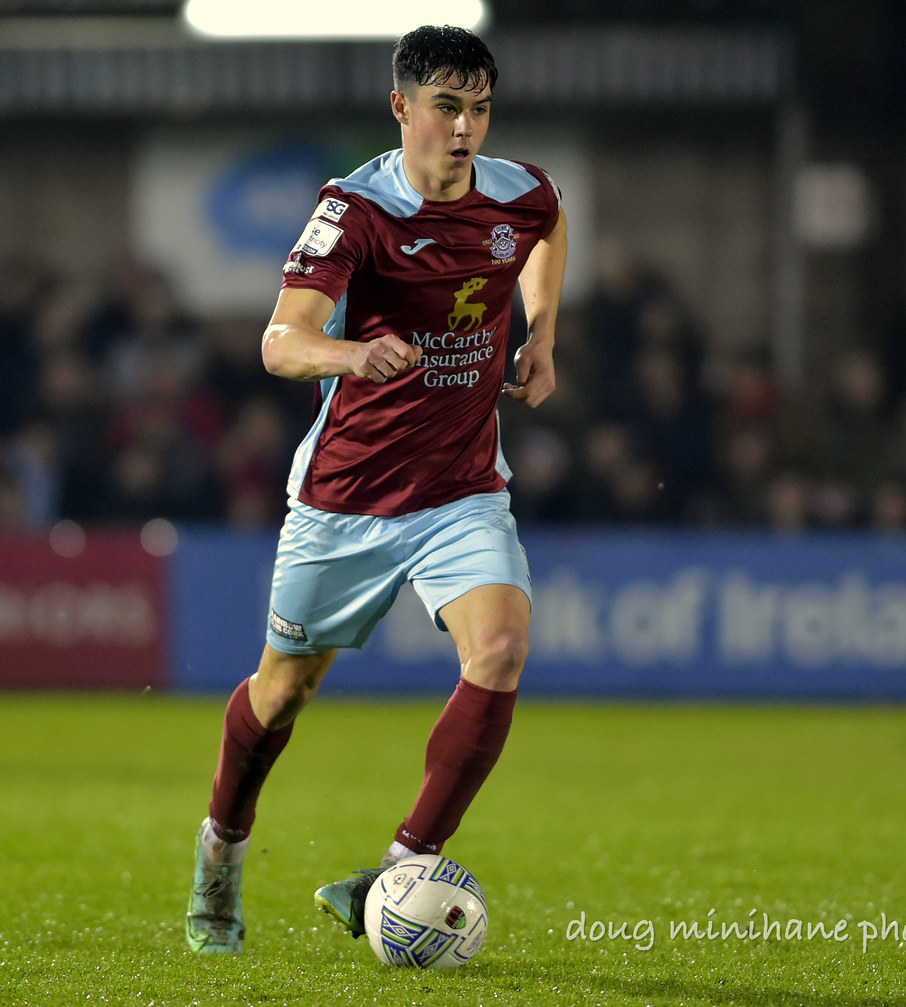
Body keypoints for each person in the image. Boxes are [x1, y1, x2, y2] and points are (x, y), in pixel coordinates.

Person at [185, 24, 567, 954]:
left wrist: (542, 332)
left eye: (479, 107)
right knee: (281, 695)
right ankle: (218, 861)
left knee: (503, 650)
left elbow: (549, 228)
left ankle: (397, 868)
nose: (465, 127)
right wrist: (353, 353)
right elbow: (280, 341)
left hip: (461, 491)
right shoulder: (352, 211)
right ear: (402, 107)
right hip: (345, 499)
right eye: (446, 107)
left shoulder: (520, 192)